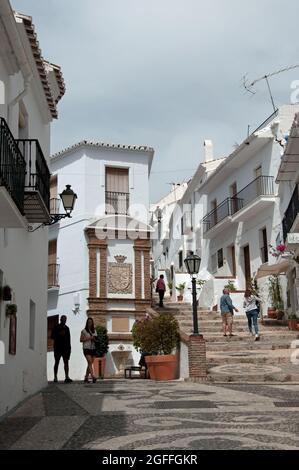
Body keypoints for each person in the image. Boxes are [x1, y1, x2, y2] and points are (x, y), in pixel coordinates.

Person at [51, 315, 72, 383]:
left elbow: (69, 339)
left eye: (65, 319)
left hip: (65, 349)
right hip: (57, 348)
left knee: (66, 362)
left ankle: (67, 377)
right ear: (60, 319)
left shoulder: (67, 328)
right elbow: (52, 336)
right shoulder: (56, 327)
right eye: (63, 319)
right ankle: (55, 377)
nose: (64, 320)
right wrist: (59, 334)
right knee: (57, 362)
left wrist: (69, 349)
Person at [80, 317, 98, 383]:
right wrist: (89, 338)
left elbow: (96, 340)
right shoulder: (83, 331)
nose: (90, 323)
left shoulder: (94, 331)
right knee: (90, 362)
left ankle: (86, 377)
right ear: (87, 323)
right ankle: (93, 376)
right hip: (86, 348)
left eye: (91, 322)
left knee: (89, 363)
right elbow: (81, 340)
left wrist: (94, 339)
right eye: (88, 322)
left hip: (93, 348)